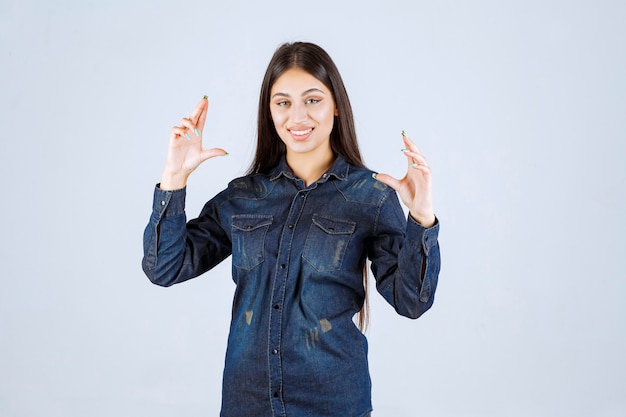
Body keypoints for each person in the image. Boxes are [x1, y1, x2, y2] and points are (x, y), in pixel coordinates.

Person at [142, 41, 441, 417]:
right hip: (248, 403)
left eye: (312, 100)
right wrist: (173, 179)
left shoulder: (372, 196)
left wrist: (421, 220)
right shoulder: (244, 196)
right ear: (269, 112)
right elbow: (165, 268)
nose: (297, 116)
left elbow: (411, 301)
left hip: (333, 403)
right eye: (283, 102)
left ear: (336, 105)